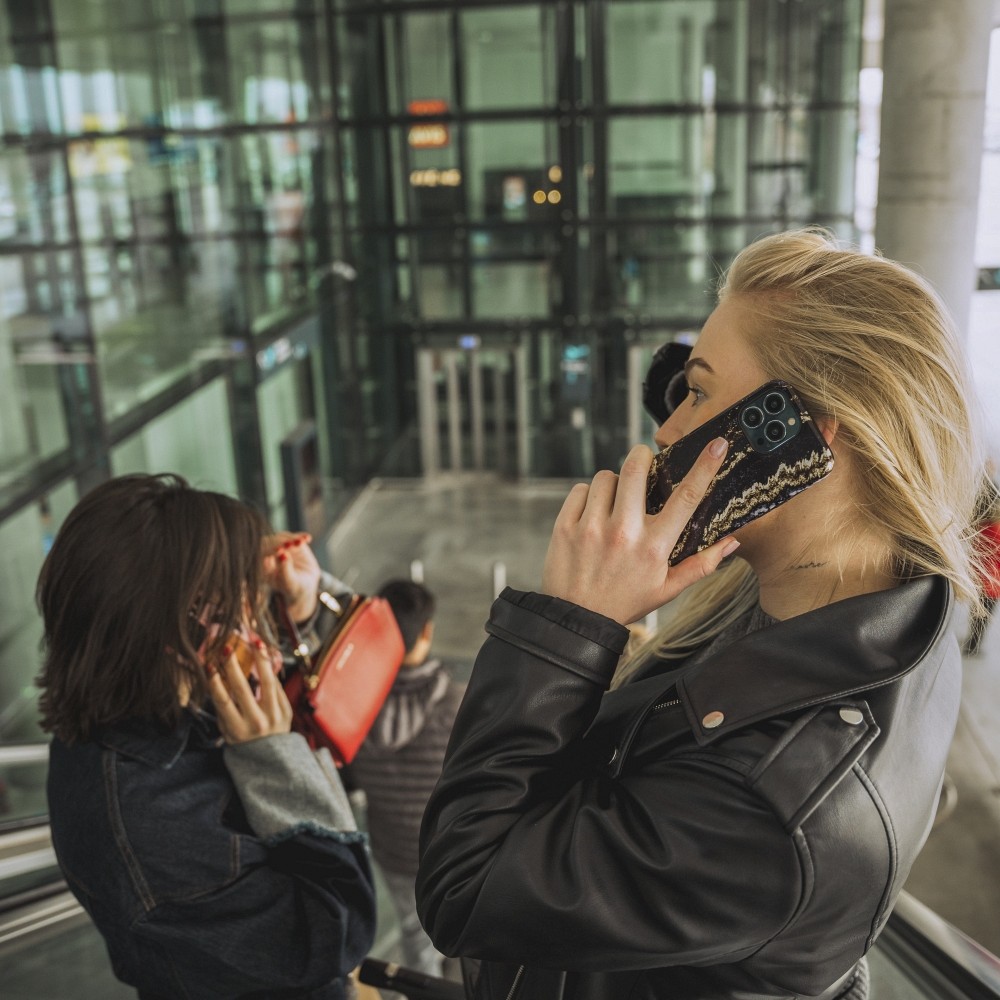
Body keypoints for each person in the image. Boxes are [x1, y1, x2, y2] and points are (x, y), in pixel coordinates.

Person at [415, 230, 997, 1000]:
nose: (665, 430)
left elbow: (462, 890)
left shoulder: (771, 815)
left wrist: (568, 622)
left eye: (696, 392)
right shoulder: (894, 599)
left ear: (811, 432)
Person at [37, 474, 377, 1000]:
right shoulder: (150, 821)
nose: (253, 612)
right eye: (234, 597)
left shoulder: (154, 694)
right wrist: (274, 760)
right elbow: (338, 931)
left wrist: (302, 609)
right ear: (173, 629)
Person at [345, 579, 465, 977]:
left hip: (394, 850)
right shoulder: (458, 705)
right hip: (451, 849)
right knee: (467, 924)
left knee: (415, 933)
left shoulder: (353, 708)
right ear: (427, 630)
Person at [963, 489, 1000, 656]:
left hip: (980, 579)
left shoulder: (983, 528)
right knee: (985, 616)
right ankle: (974, 646)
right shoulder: (998, 532)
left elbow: (974, 553)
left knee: (976, 613)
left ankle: (971, 642)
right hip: (994, 582)